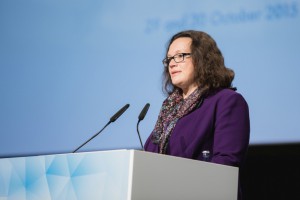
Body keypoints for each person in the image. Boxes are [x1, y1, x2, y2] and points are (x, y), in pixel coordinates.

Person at [144, 30, 250, 199]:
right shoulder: (169, 110)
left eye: (180, 56)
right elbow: (147, 160)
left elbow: (226, 162)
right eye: (169, 58)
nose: (172, 63)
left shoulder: (226, 101)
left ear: (202, 59)